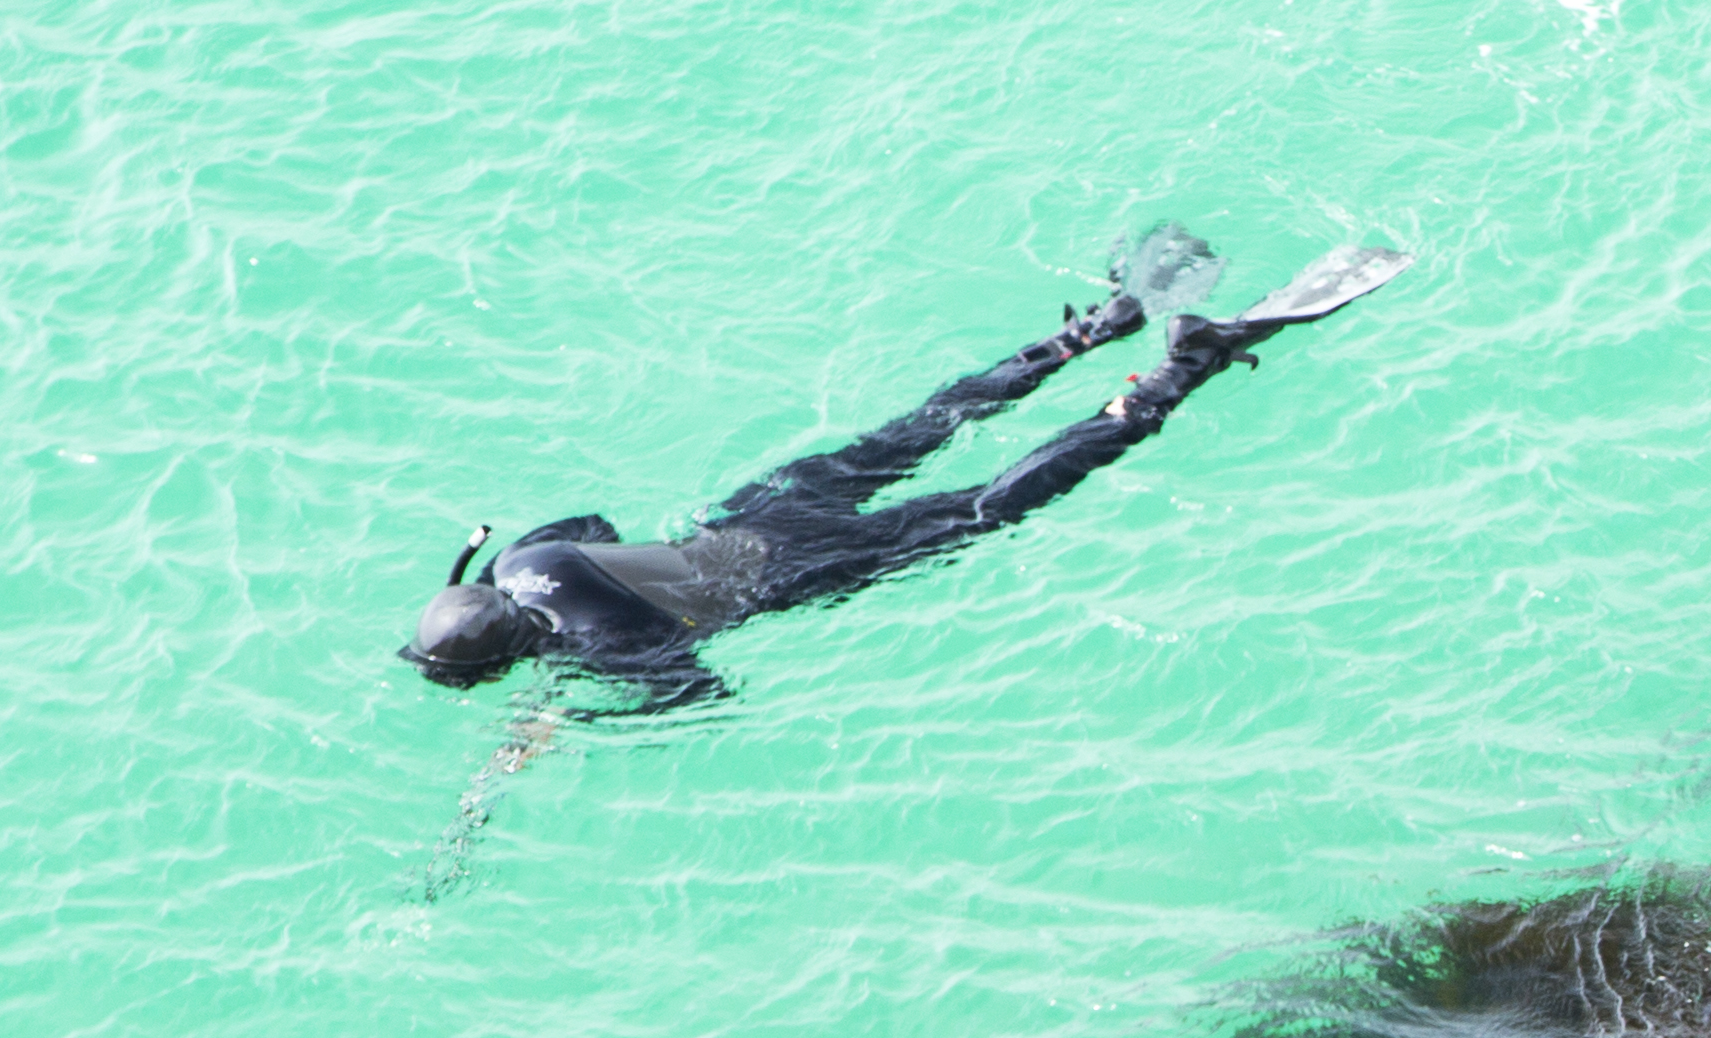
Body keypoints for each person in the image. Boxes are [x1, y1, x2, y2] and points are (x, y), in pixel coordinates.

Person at [396, 233, 1405, 698]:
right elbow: (598, 528)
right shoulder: (532, 558)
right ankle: (1090, 333)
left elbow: (698, 694)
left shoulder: (599, 650)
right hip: (750, 515)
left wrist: (566, 706)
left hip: (789, 572)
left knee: (987, 505)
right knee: (918, 426)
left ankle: (1172, 378)